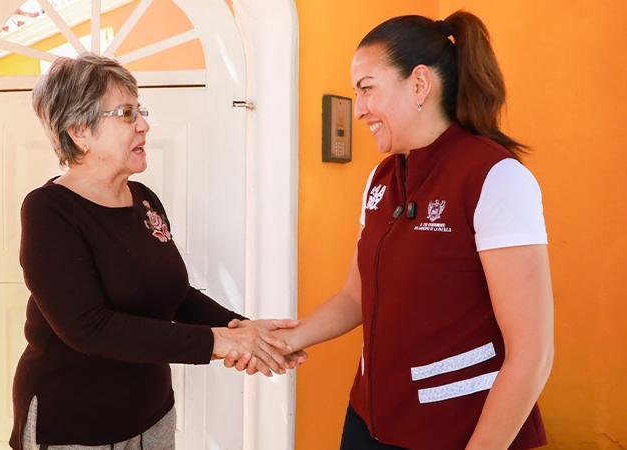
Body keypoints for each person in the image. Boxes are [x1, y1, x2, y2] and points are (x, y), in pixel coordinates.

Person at [230, 11, 554, 450]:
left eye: (367, 89)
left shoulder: (495, 178)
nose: (359, 108)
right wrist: (285, 340)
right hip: (370, 423)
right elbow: (354, 295)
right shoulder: (382, 179)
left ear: (419, 84)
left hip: (457, 430)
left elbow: (531, 354)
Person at [9, 53, 302, 450]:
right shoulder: (49, 210)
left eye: (140, 110)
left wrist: (245, 329)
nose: (144, 125)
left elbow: (174, 294)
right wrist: (217, 343)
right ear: (80, 131)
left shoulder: (143, 200)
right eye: (127, 114)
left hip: (152, 413)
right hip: (76, 423)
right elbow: (86, 326)